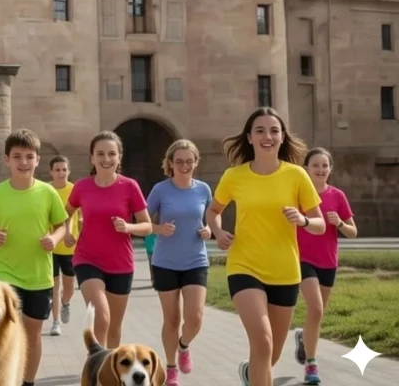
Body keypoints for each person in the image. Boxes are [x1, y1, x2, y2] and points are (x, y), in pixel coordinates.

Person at [205, 107, 326, 386]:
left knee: (270, 354)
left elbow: (320, 224)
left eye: (274, 131)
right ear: (249, 137)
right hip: (244, 267)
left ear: (282, 137)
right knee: (262, 340)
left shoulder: (297, 175)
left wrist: (304, 220)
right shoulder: (234, 176)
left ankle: (251, 374)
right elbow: (213, 211)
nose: (267, 136)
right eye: (260, 131)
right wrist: (218, 231)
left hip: (285, 271)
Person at [0, 128, 67, 386]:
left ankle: (28, 382)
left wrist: (55, 239)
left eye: (29, 156)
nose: (23, 162)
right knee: (4, 331)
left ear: (37, 160)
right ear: (7, 159)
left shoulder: (48, 193)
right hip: (5, 274)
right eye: (17, 156)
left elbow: (62, 225)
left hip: (39, 275)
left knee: (32, 334)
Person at [65, 130, 153, 348]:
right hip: (87, 259)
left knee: (113, 327)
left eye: (112, 154)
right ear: (92, 158)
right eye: (100, 154)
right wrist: (67, 231)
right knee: (101, 316)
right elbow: (65, 212)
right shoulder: (82, 187)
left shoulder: (129, 186)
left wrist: (128, 227)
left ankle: (110, 364)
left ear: (119, 157)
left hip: (120, 263)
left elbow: (148, 226)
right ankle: (96, 361)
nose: (106, 159)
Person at [147, 139, 212, 386]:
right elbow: (142, 221)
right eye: (179, 161)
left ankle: (184, 346)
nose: (184, 166)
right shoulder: (160, 190)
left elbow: (210, 218)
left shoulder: (203, 189)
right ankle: (171, 367)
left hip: (196, 259)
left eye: (189, 161)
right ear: (170, 164)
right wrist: (159, 228)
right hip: (165, 262)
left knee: (195, 317)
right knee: (172, 319)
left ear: (195, 162)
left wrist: (208, 230)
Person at [293, 147, 358, 385]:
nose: (320, 170)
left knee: (316, 315)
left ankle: (304, 338)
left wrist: (339, 223)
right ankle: (311, 365)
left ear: (330, 169)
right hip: (303, 260)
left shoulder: (337, 196)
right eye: (315, 165)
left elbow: (353, 232)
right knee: (316, 309)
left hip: (328, 261)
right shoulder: (297, 195)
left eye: (324, 166)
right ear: (306, 168)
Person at [48, 155, 81, 336]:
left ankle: (65, 302)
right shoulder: (46, 190)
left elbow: (81, 216)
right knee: (54, 285)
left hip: (70, 246)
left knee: (68, 286)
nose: (61, 173)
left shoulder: (75, 190)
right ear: (51, 172)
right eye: (57, 170)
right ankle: (56, 322)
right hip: (51, 246)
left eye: (64, 169)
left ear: (69, 171)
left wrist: (78, 233)